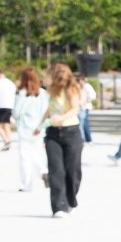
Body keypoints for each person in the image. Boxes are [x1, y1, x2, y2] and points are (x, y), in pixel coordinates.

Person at [42, 62, 85, 217]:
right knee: (56, 170)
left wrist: (61, 118)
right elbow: (49, 110)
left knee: (73, 171)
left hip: (71, 132)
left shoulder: (71, 89)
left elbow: (75, 108)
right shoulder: (50, 90)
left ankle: (70, 199)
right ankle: (59, 206)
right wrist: (39, 125)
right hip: (53, 133)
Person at [11, 66, 47, 193]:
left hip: (25, 129)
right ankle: (43, 171)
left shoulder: (22, 93)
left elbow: (17, 112)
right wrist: (41, 126)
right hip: (38, 128)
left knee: (25, 157)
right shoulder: (42, 93)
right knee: (36, 153)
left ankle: (26, 184)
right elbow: (46, 111)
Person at [0, 67, 16, 151]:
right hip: (10, 106)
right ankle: (9, 141)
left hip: (2, 106)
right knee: (6, 125)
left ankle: (6, 141)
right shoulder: (11, 83)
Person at [77, 72, 96, 143]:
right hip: (81, 107)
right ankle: (87, 138)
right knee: (84, 123)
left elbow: (93, 96)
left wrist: (86, 100)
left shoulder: (87, 86)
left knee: (84, 123)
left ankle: (87, 139)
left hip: (86, 106)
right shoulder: (80, 86)